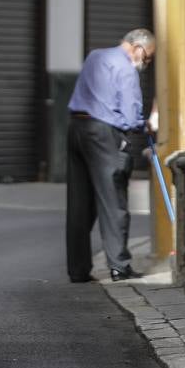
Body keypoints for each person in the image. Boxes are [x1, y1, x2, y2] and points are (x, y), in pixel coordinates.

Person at [65, 27, 157, 283]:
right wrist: (144, 124)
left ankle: (78, 269)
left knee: (79, 203)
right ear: (138, 48)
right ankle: (119, 267)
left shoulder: (95, 56)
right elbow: (129, 116)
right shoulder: (126, 69)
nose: (145, 63)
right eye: (147, 57)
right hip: (104, 135)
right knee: (113, 201)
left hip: (76, 128)